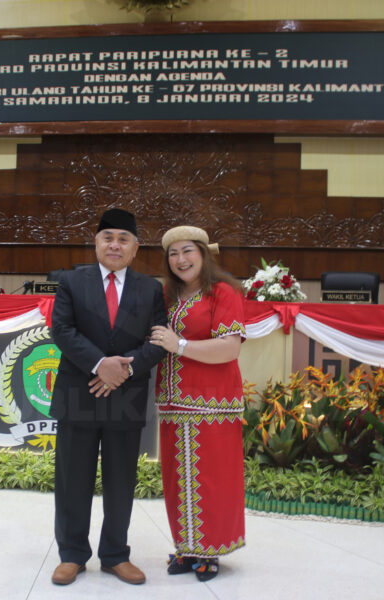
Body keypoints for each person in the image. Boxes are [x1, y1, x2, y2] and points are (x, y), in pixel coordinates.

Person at [49, 208, 167, 586]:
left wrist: (124, 371)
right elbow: (61, 330)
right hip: (78, 392)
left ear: (135, 248)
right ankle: (72, 554)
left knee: (120, 482)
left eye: (123, 239)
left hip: (126, 395)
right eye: (108, 238)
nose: (115, 245)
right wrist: (101, 365)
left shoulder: (150, 289)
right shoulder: (71, 281)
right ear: (96, 243)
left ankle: (116, 554)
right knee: (72, 480)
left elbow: (159, 340)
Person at [149, 225, 246, 582]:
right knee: (177, 479)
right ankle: (187, 547)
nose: (180, 259)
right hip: (173, 402)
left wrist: (181, 345)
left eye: (187, 251)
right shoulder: (166, 295)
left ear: (204, 254)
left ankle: (211, 550)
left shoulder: (223, 292)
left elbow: (230, 348)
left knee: (212, 480)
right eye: (173, 254)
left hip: (212, 403)